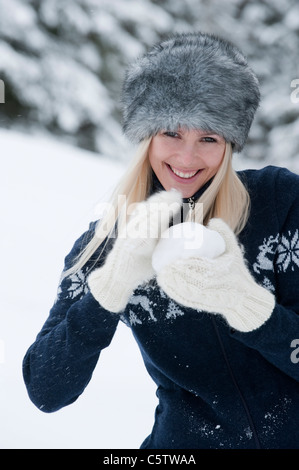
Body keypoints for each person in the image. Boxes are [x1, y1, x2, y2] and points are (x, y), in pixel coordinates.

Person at [23, 32, 299, 449]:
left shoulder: (279, 202)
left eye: (209, 138)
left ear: (229, 146)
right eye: (171, 133)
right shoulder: (105, 246)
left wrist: (248, 305)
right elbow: (46, 390)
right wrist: (109, 287)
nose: (187, 159)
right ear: (145, 137)